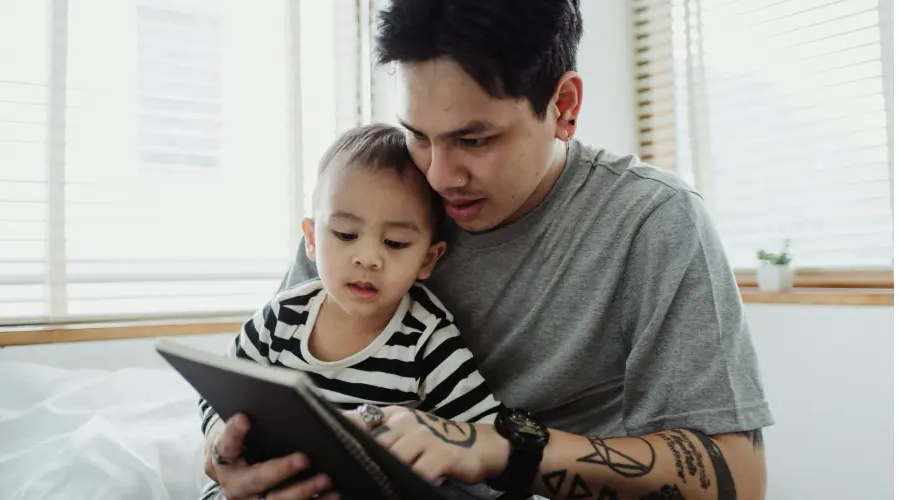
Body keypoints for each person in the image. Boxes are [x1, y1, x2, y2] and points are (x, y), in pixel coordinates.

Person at [209, 0, 775, 499]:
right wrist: (232, 458)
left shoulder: (652, 223)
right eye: (418, 133)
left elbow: (739, 482)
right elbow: (270, 391)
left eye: (474, 140)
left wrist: (492, 447)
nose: (439, 173)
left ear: (565, 105)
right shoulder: (375, 198)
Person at [198, 124, 503, 500]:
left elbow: (485, 438)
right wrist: (218, 437)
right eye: (345, 234)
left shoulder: (427, 340)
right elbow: (217, 391)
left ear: (427, 258)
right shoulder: (281, 318)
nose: (367, 258)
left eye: (395, 243)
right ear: (311, 239)